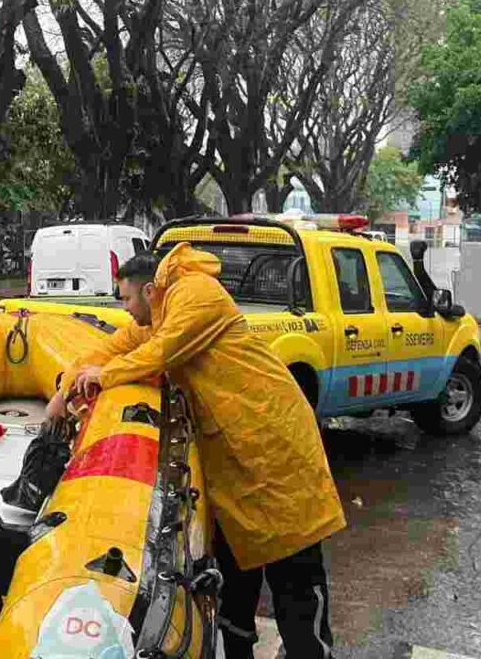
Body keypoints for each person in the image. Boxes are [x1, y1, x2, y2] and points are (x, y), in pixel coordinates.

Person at [48, 246, 346, 659]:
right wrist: (66, 387)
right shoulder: (160, 313)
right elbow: (116, 346)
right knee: (236, 582)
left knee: (294, 582)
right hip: (235, 463)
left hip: (275, 448)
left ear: (150, 291)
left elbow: (162, 351)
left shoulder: (195, 294)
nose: (125, 310)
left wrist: (104, 376)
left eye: (127, 299)